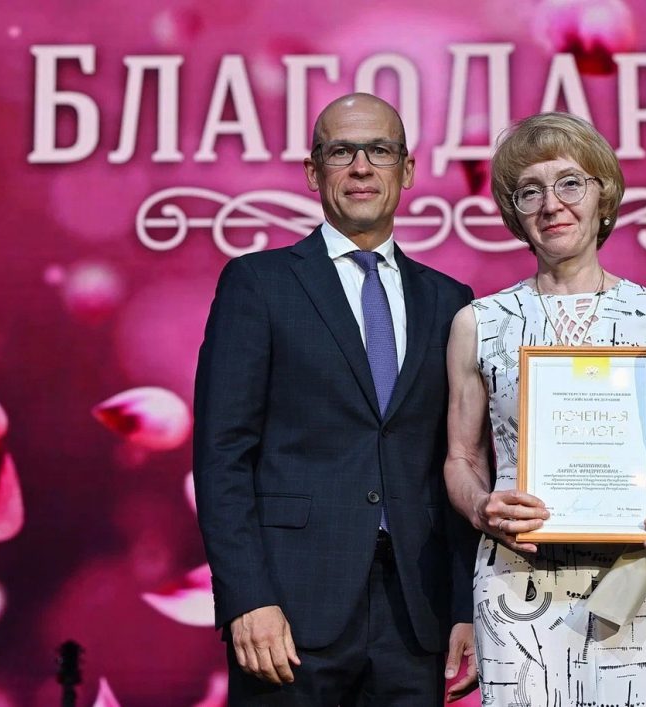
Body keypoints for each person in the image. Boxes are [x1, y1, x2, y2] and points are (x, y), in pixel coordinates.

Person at [193, 93, 479, 706]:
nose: (361, 167)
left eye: (379, 150)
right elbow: (222, 455)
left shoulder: (451, 300)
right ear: (313, 171)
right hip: (288, 609)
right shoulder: (258, 284)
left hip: (416, 612)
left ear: (407, 169)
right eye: (342, 151)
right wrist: (247, 597)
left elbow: (460, 459)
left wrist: (464, 605)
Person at [444, 112, 646, 706]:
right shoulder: (480, 323)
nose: (551, 204)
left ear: (603, 196)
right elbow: (461, 457)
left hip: (640, 579)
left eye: (570, 183)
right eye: (529, 191)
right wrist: (482, 507)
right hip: (518, 585)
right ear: (514, 212)